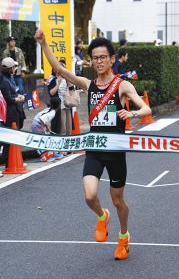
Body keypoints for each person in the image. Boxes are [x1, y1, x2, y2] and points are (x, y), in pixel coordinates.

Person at [35, 29, 151, 260]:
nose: (98, 61)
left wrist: (133, 113)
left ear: (112, 59)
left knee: (118, 200)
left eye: (103, 57)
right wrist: (43, 44)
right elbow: (59, 70)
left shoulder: (122, 86)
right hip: (95, 148)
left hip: (116, 151)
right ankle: (101, 216)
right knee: (89, 196)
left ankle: (124, 236)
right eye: (95, 58)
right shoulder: (88, 84)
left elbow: (146, 108)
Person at [0, 57, 25, 165]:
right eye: (14, 66)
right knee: (12, 135)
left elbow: (13, 94)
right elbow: (8, 99)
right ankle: (8, 161)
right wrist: (19, 98)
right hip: (10, 112)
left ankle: (14, 160)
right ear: (10, 68)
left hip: (15, 110)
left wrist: (18, 96)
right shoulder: (4, 81)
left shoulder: (9, 78)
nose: (15, 68)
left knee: (15, 134)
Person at [32, 97, 63, 162]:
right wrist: (42, 128)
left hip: (36, 123)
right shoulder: (53, 112)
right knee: (42, 140)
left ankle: (51, 154)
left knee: (47, 138)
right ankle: (45, 156)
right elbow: (42, 119)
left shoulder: (49, 109)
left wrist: (49, 129)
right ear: (59, 105)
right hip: (37, 125)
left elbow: (46, 120)